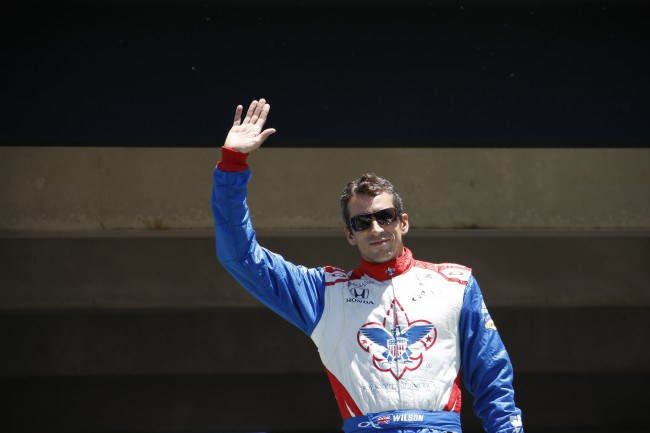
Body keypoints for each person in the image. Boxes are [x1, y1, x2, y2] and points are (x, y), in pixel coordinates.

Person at [212, 98, 524, 433]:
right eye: (362, 223)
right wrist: (232, 165)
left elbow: (494, 382)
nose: (375, 229)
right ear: (349, 234)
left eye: (384, 217)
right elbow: (241, 257)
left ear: (402, 222)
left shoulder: (456, 284)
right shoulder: (323, 293)